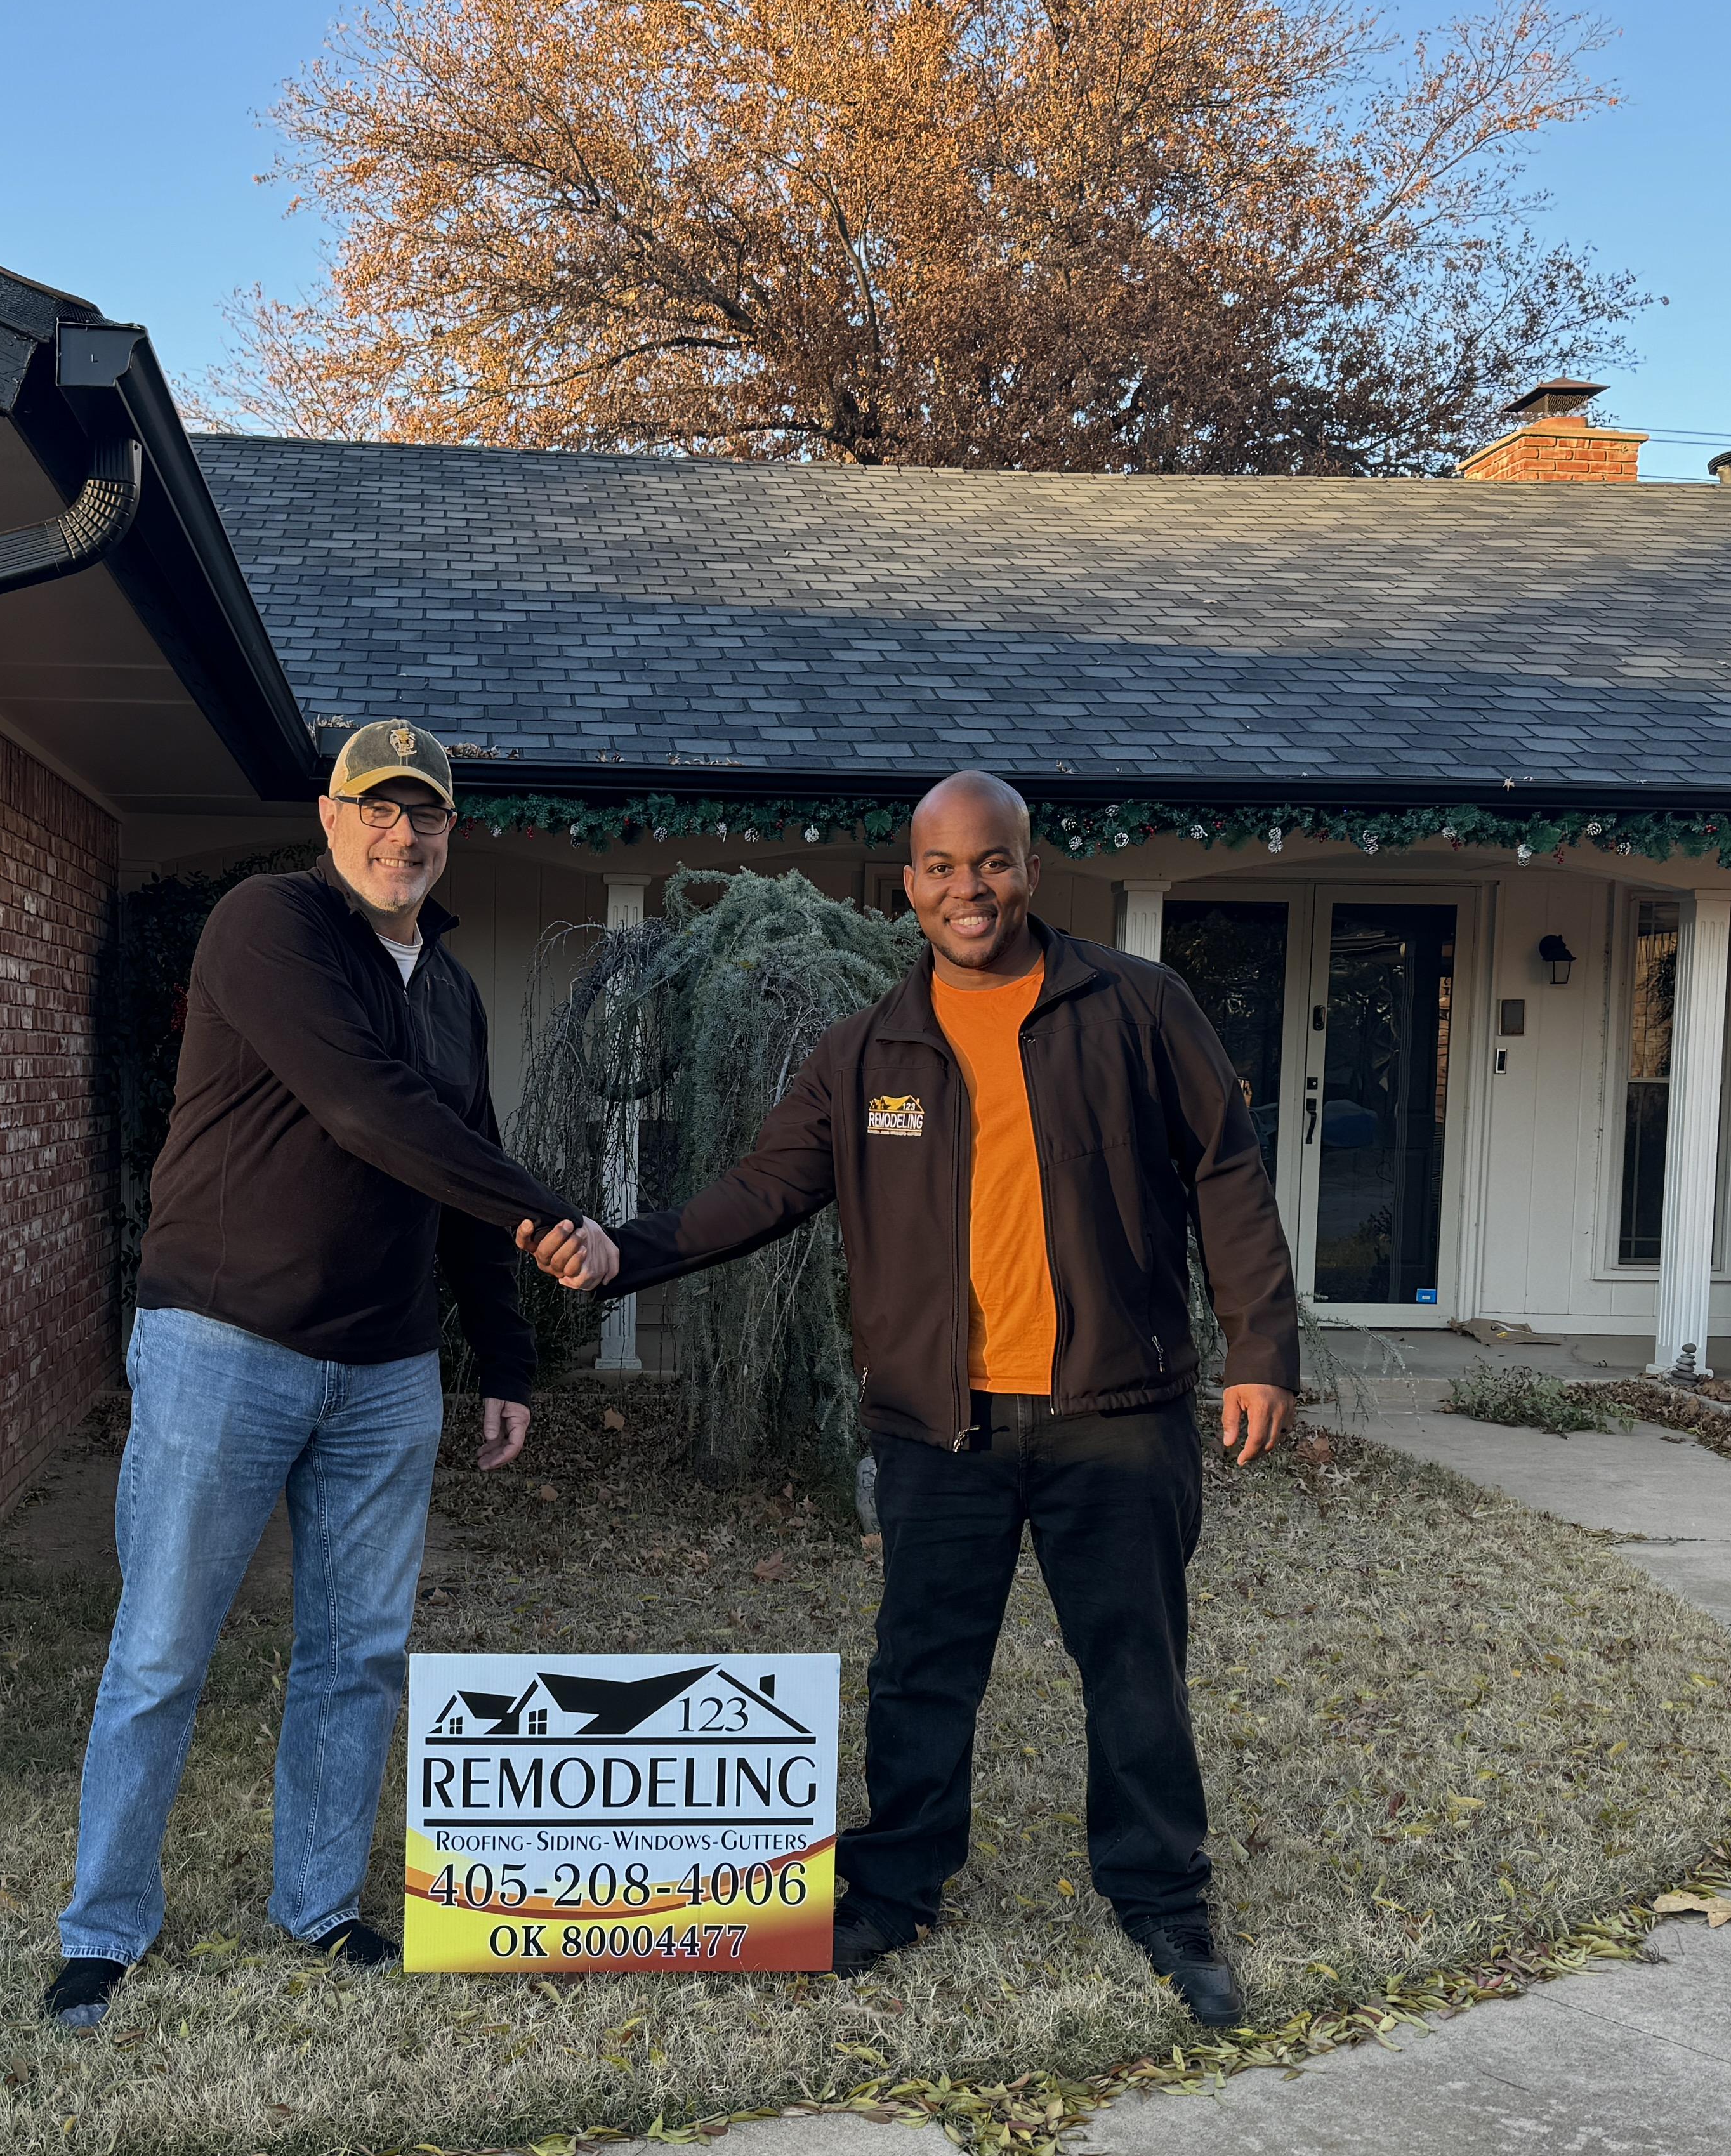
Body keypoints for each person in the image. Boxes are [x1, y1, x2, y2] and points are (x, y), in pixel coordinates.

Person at [534, 772, 1295, 2025]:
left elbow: (1225, 1171)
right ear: (910, 888)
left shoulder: (1136, 1007)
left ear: (1031, 870)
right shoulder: (872, 1046)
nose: (968, 891)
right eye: (941, 869)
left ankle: (1164, 1900)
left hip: (1116, 1408)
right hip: (943, 1424)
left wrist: (1262, 1347)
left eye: (990, 864)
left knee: (1135, 1668)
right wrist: (628, 1248)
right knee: (924, 1670)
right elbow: (764, 1187)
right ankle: (895, 1893)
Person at [50, 719, 618, 2032]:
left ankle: (317, 1906)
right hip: (222, 1349)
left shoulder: (455, 993)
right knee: (161, 1649)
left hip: (386, 1374)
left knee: (358, 1652)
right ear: (329, 815)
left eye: (423, 815)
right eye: (376, 808)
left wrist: (509, 1353)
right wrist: (555, 1217)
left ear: (448, 833)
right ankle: (104, 1926)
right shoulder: (270, 928)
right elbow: (369, 1111)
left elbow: (457, 1177)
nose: (399, 835)